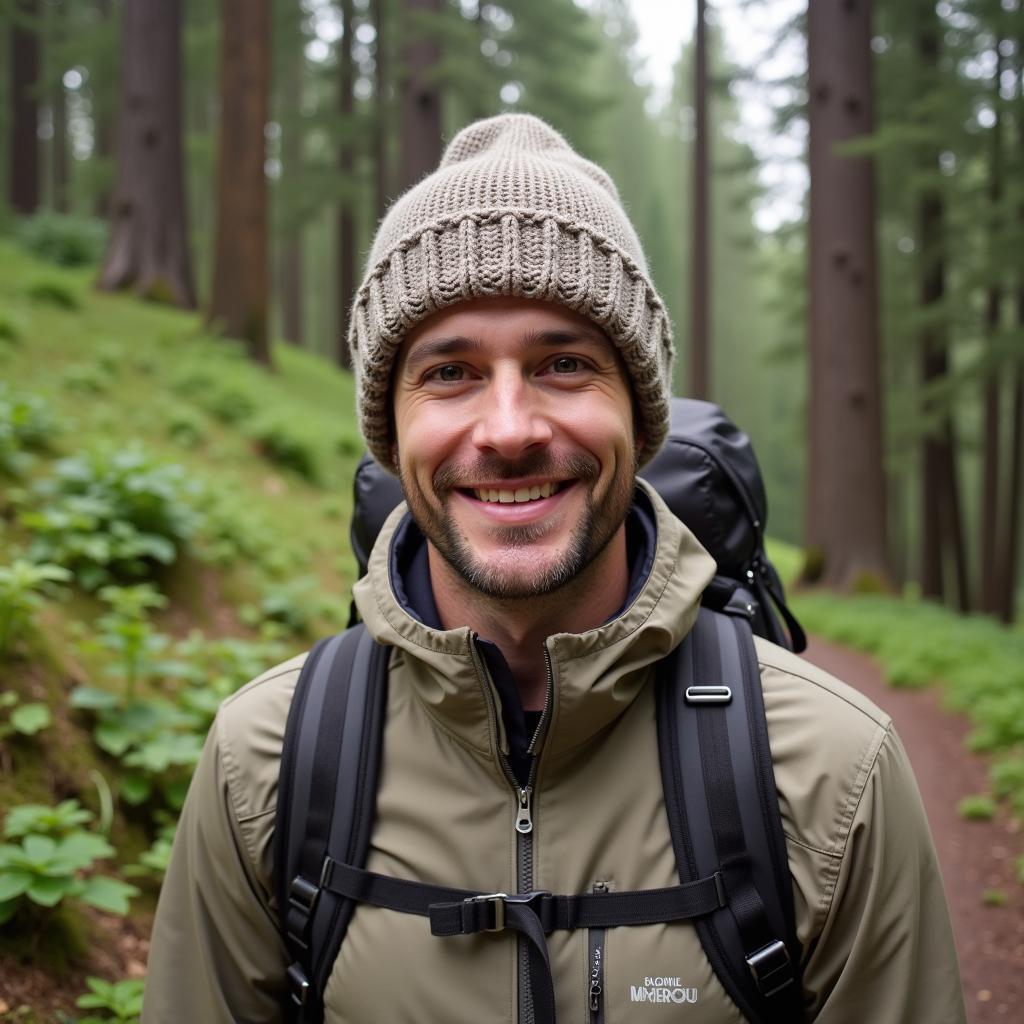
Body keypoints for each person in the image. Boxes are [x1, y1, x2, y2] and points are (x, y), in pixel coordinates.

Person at [142, 113, 966, 1023]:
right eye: (449, 373)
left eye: (564, 363)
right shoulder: (264, 767)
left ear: (639, 415)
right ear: (392, 430)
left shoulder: (831, 774)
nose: (507, 429)